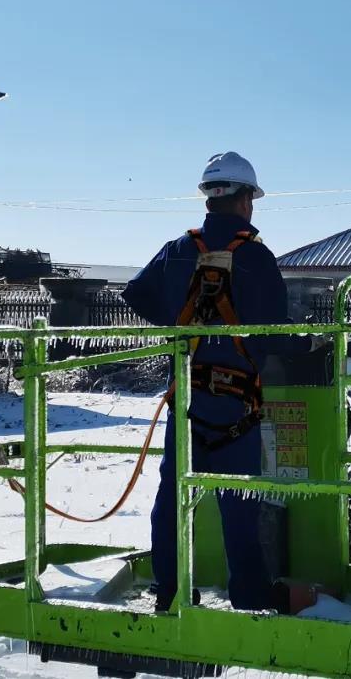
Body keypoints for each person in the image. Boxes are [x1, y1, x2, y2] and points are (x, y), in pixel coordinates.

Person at [123, 151, 309, 612]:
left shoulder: (177, 250)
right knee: (238, 499)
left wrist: (176, 325)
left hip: (185, 394)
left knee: (172, 495)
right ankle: (248, 592)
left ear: (209, 198)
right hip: (236, 402)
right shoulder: (257, 258)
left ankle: (170, 592)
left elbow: (134, 293)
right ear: (245, 200)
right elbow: (275, 332)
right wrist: (306, 344)